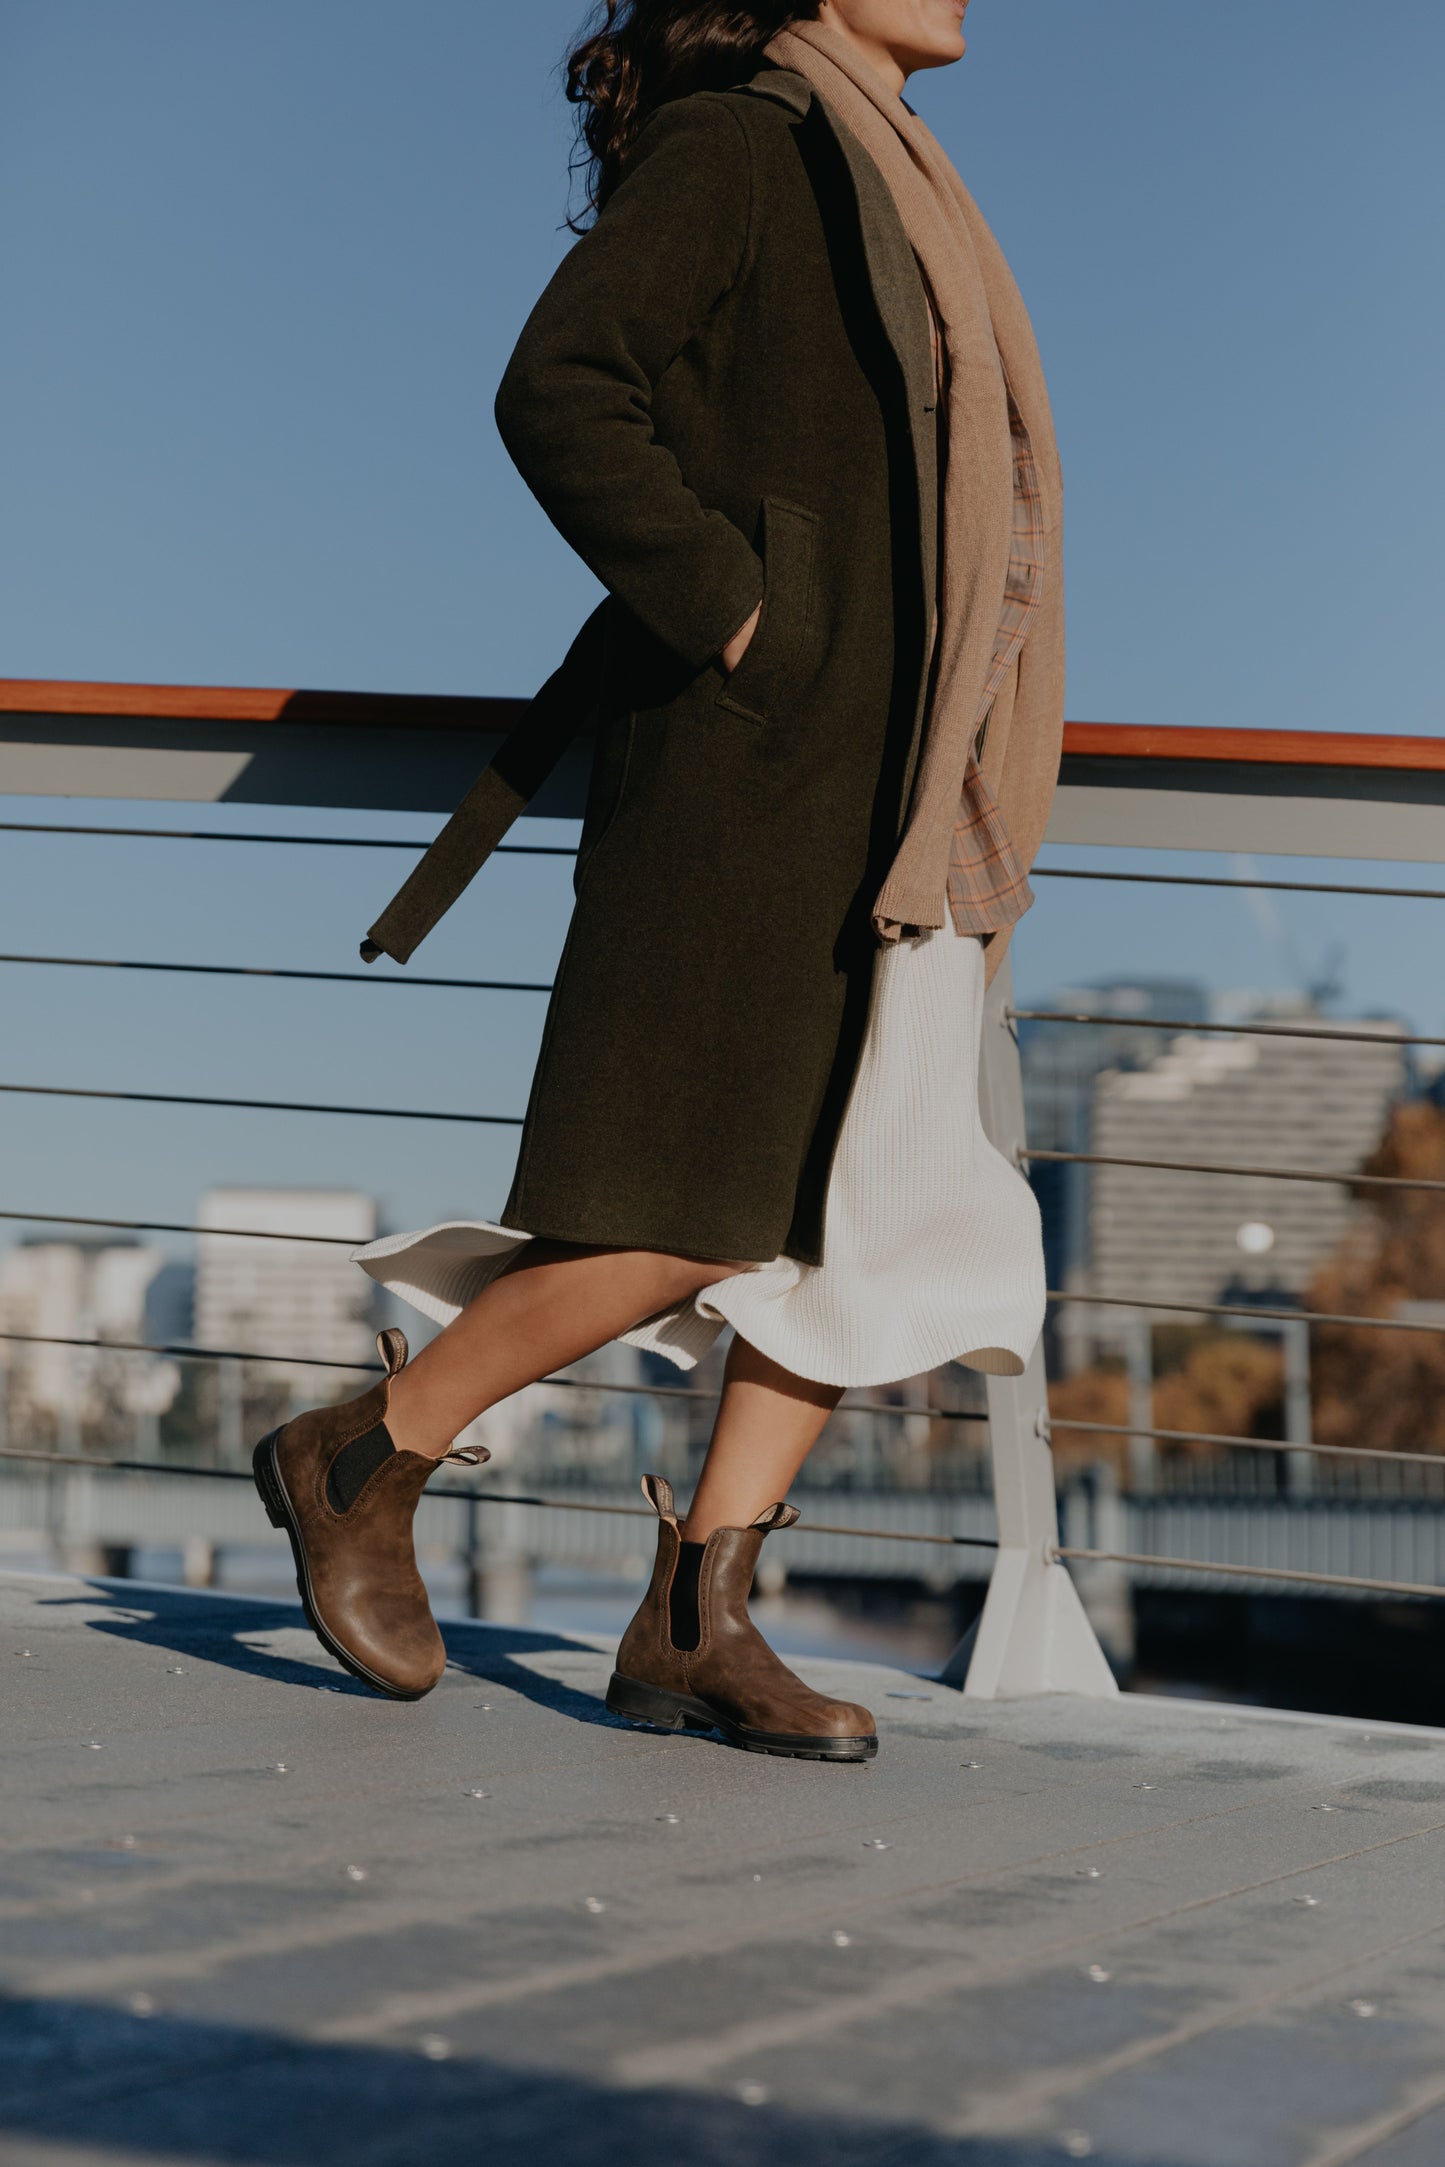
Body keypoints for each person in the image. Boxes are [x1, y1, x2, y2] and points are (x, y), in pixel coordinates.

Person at [253, 0, 1064, 1763]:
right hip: (748, 773)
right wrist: (742, 609)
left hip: (898, 783)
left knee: (868, 1210)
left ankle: (696, 1619)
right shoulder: (745, 145)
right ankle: (361, 1454)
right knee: (694, 1207)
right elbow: (560, 384)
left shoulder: (897, 177)